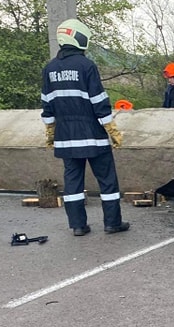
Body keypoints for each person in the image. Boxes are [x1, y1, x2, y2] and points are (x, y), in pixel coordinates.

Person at [41, 18, 129, 237]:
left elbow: (47, 103)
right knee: (107, 181)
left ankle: (78, 225)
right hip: (92, 136)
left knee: (72, 183)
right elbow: (99, 101)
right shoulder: (86, 66)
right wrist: (112, 129)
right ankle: (112, 223)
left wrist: (50, 131)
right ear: (78, 38)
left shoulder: (49, 69)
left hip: (65, 137)